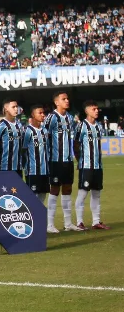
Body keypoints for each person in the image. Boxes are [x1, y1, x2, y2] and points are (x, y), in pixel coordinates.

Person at [45, 91, 79, 233]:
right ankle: (50, 224)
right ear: (56, 102)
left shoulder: (70, 118)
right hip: (55, 160)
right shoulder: (51, 118)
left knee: (67, 189)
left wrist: (77, 156)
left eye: (67, 98)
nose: (67, 101)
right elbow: (44, 137)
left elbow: (74, 139)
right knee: (54, 190)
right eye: (63, 99)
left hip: (67, 160)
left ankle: (68, 223)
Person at [73, 101, 109, 230]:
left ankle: (96, 221)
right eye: (94, 109)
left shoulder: (98, 126)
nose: (97, 111)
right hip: (86, 166)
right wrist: (79, 161)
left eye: (97, 109)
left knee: (96, 194)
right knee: (83, 193)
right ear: (87, 111)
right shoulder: (82, 126)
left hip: (98, 166)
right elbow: (76, 144)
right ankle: (79, 222)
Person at [23, 105, 50, 205]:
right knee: (32, 197)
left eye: (43, 113)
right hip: (32, 170)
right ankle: (32, 218)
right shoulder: (27, 131)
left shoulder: (45, 131)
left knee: (43, 195)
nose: (43, 115)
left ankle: (38, 217)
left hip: (45, 170)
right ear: (33, 115)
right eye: (40, 113)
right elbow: (23, 149)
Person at [0, 99, 24, 177]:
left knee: (19, 189)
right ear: (6, 108)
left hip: (18, 167)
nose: (16, 109)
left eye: (16, 107)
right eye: (13, 107)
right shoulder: (1, 126)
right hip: (4, 167)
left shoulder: (19, 124)